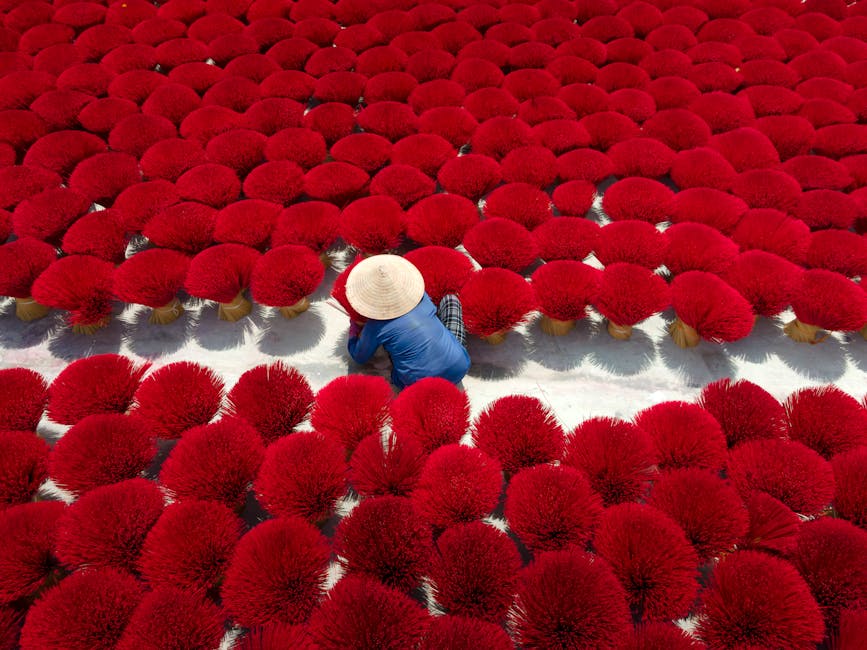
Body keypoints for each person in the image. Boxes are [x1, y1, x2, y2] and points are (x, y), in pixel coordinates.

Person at [344, 254, 470, 389]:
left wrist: (354, 327)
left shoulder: (375, 326)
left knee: (391, 352)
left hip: (418, 386)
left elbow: (359, 356)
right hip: (459, 367)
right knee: (451, 300)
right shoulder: (422, 297)